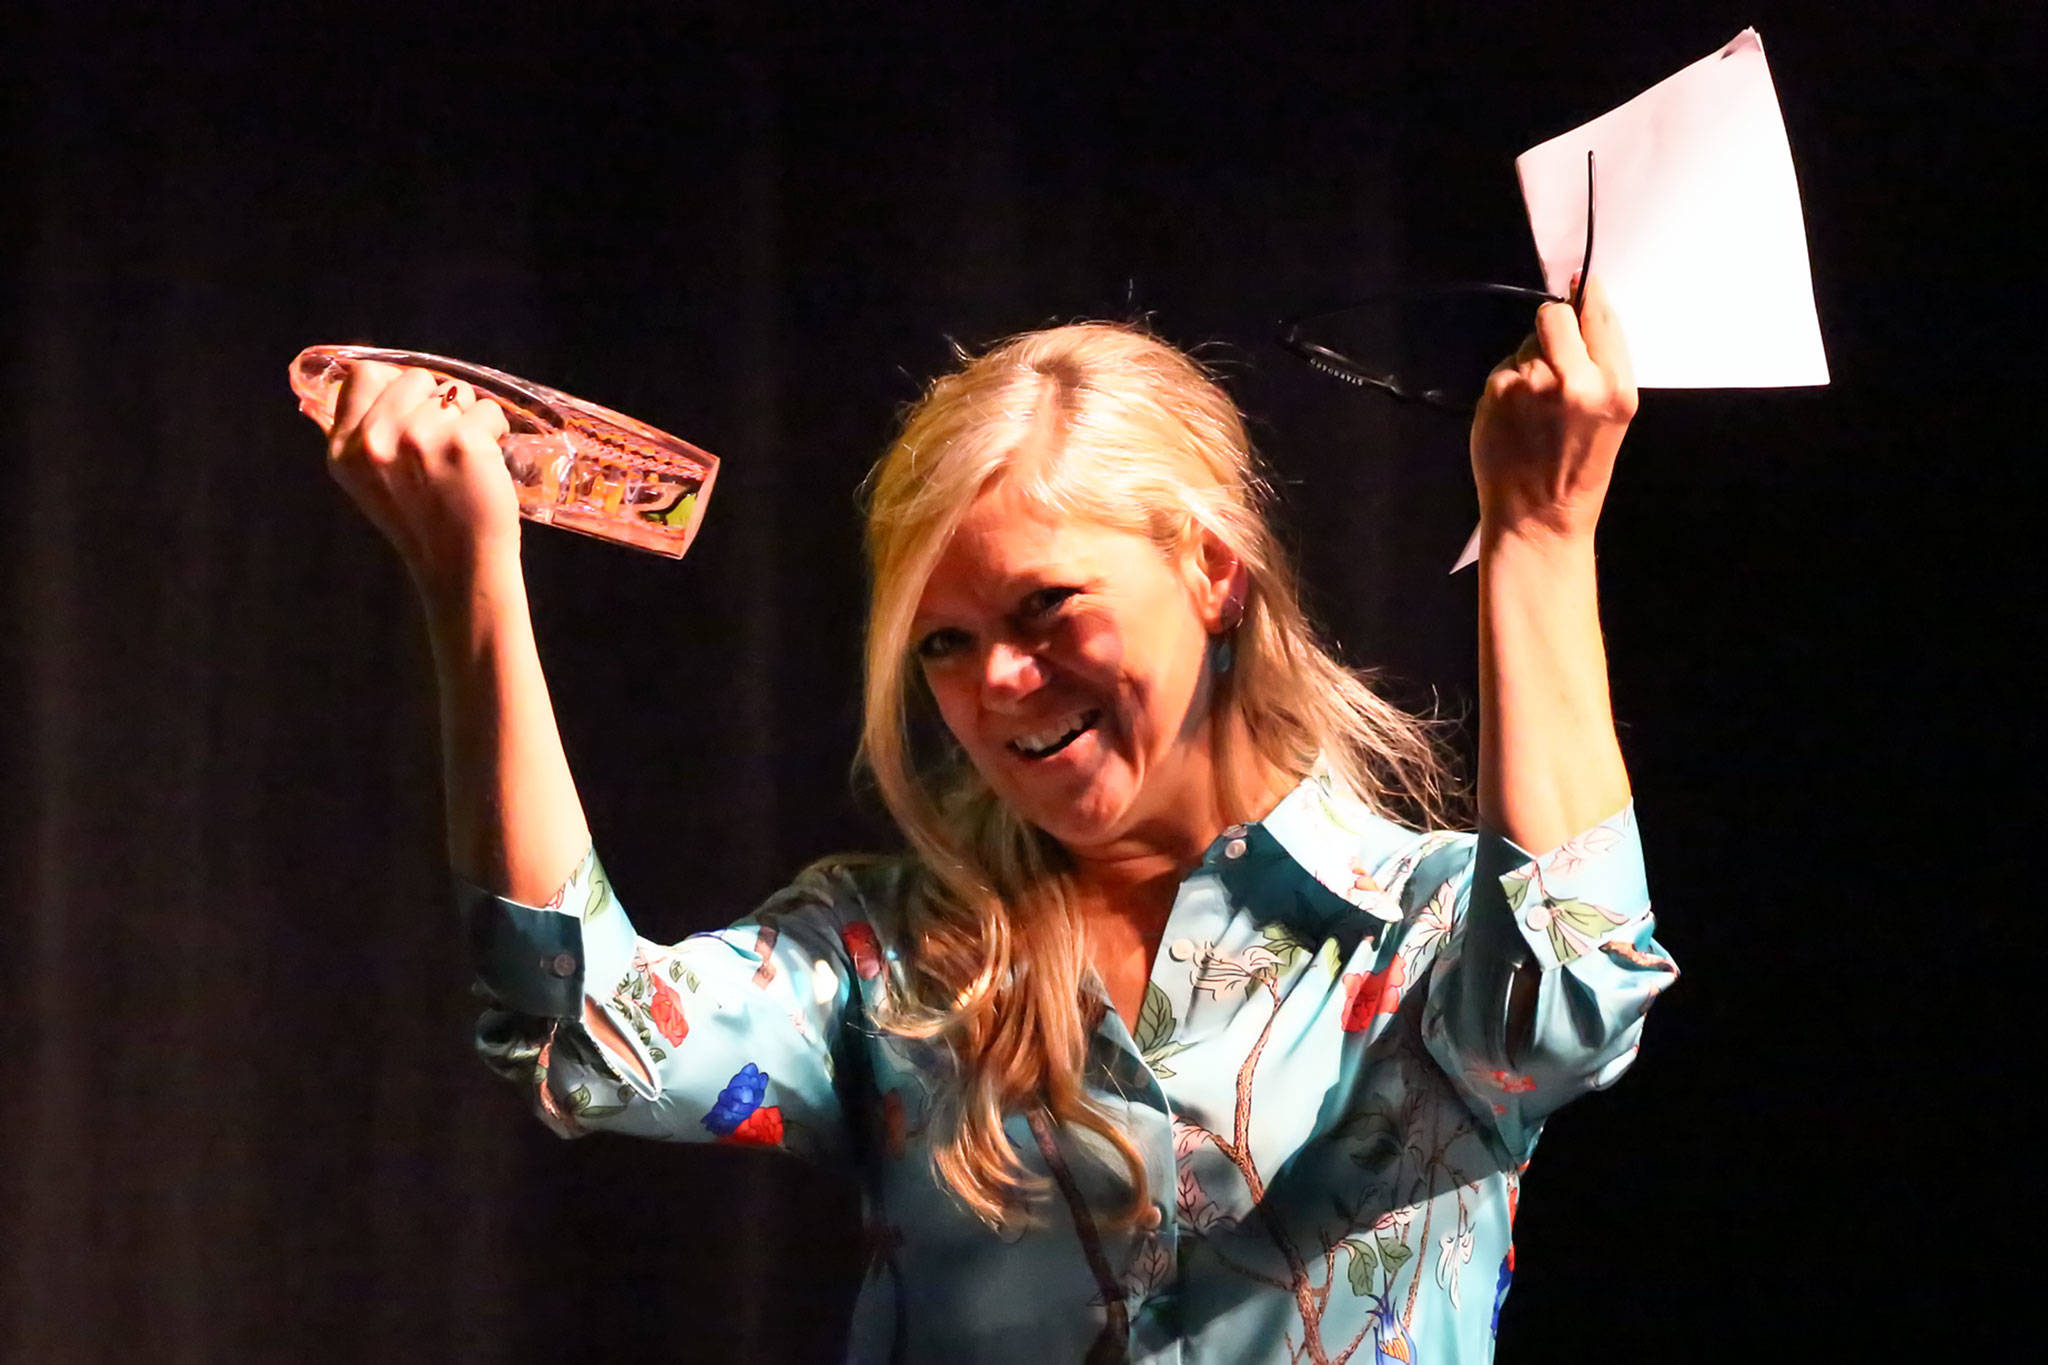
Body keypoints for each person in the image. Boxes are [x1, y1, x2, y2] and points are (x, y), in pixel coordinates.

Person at [324, 281, 1675, 1364]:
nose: (1000, 687)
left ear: (1212, 569)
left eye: (1045, 610)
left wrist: (1541, 536)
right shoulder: (894, 957)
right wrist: (473, 582)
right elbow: (583, 1031)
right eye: (947, 645)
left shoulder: (1422, 934)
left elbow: (1566, 998)